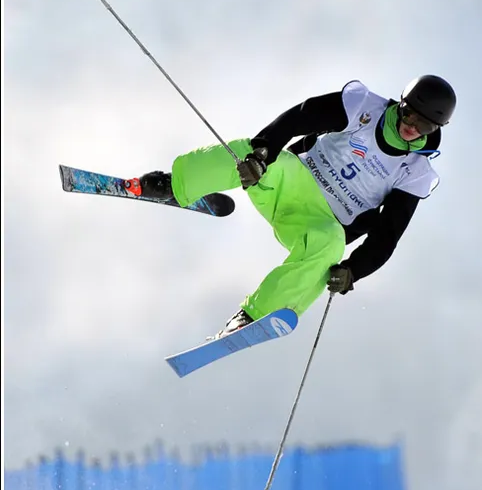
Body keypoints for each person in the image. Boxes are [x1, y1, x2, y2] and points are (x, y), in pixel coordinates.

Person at [125, 75, 456, 338]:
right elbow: (299, 118)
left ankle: (254, 315)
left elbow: (388, 235)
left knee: (330, 246)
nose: (412, 126)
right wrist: (263, 155)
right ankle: (173, 185)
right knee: (246, 151)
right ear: (400, 103)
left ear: (435, 130)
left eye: (424, 125)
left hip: (316, 224)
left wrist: (355, 269)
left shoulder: (415, 172)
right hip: (289, 181)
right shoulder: (364, 108)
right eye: (409, 113)